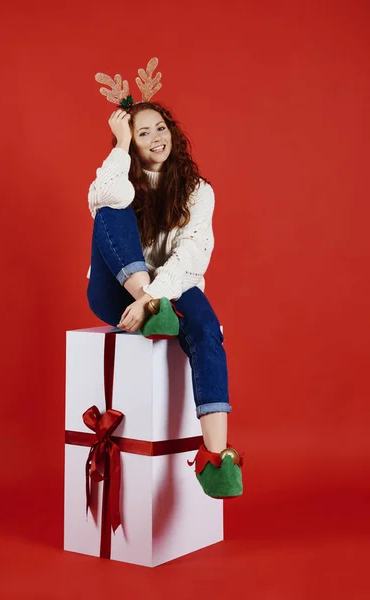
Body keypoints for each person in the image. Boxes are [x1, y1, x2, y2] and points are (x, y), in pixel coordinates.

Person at [86, 101, 243, 498]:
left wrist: (154, 296)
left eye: (160, 128)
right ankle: (153, 305)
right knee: (111, 206)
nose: (156, 138)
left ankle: (216, 457)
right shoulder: (122, 176)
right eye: (142, 134)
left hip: (170, 287)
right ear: (132, 144)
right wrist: (120, 145)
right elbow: (101, 195)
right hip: (118, 291)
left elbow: (191, 255)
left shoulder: (198, 191)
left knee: (207, 328)